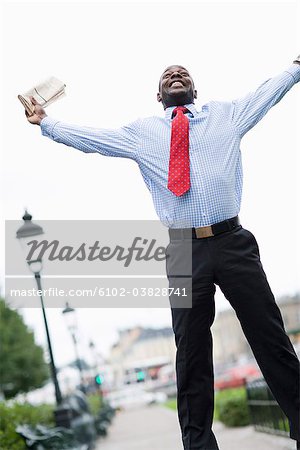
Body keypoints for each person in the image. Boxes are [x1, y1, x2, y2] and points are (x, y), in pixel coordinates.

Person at [26, 56, 300, 450]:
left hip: (233, 240)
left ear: (194, 89)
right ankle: (198, 444)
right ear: (159, 95)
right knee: (190, 349)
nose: (176, 74)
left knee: (270, 335)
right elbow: (94, 140)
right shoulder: (142, 133)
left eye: (183, 72)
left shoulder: (227, 116)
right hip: (183, 250)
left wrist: (296, 65)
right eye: (167, 75)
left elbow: (267, 92)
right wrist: (48, 124)